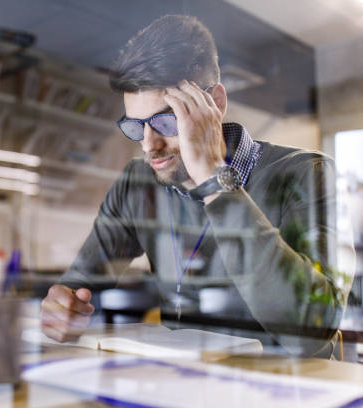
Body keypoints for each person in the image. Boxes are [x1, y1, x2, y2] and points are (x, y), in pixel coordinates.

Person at [40, 14, 352, 358]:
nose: (149, 144)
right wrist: (64, 305)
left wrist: (214, 179)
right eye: (135, 126)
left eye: (164, 120)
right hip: (186, 383)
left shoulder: (308, 174)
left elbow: (311, 331)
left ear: (215, 103)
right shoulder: (138, 184)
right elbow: (79, 287)